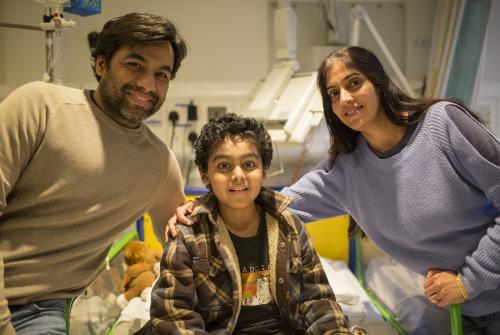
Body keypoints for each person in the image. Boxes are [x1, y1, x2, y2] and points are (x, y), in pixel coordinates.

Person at [170, 46, 500, 334]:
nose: (345, 98)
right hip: (466, 310)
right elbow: (276, 205)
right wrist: (202, 207)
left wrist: (468, 281)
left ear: (379, 81)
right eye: (333, 93)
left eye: (354, 83)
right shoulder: (347, 169)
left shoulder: (442, 125)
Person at [0, 12, 187, 335]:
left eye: (162, 75)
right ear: (101, 64)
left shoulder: (159, 165)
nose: (147, 84)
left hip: (44, 309)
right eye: (135, 65)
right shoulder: (40, 107)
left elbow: (187, 243)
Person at [146, 113, 350, 334]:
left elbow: (317, 299)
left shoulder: (289, 225)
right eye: (224, 166)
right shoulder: (187, 235)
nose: (238, 175)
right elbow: (173, 314)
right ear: (205, 174)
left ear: (264, 171)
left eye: (249, 164)